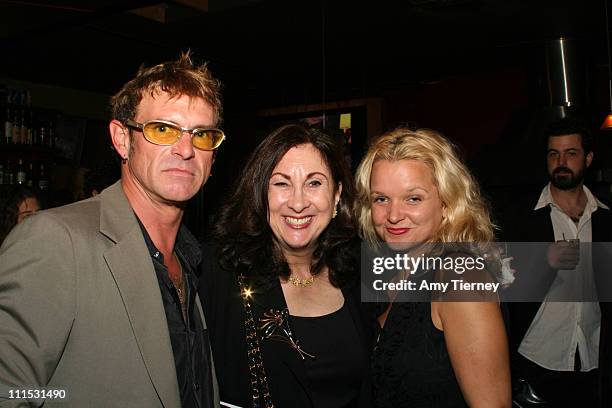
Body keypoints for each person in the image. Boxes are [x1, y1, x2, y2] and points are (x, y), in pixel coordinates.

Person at [0, 52, 225, 407]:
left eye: (202, 135)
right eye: (163, 129)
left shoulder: (192, 257)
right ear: (122, 140)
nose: (185, 150)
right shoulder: (56, 241)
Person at [199, 124, 372, 407]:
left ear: (337, 195)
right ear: (260, 192)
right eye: (281, 183)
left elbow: (444, 269)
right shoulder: (217, 272)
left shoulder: (359, 268)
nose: (298, 202)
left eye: (314, 183)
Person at [355, 127, 511, 407]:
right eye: (381, 199)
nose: (393, 215)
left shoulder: (460, 275)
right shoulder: (395, 270)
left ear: (447, 204)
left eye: (413, 198)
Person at [501, 118, 612, 407]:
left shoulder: (606, 216)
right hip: (534, 360)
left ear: (588, 159)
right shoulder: (518, 216)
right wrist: (542, 261)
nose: (561, 161)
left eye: (571, 153)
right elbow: (494, 282)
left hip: (594, 361)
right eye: (554, 154)